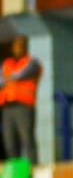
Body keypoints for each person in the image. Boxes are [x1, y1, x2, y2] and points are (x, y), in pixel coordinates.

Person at [1, 35, 41, 164]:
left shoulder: (32, 62)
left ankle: (33, 167)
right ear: (13, 48)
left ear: (26, 47)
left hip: (24, 105)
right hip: (7, 107)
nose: (19, 48)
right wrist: (9, 78)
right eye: (17, 45)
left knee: (27, 138)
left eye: (22, 45)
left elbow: (21, 75)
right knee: (9, 141)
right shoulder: (7, 64)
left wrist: (8, 78)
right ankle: (14, 170)